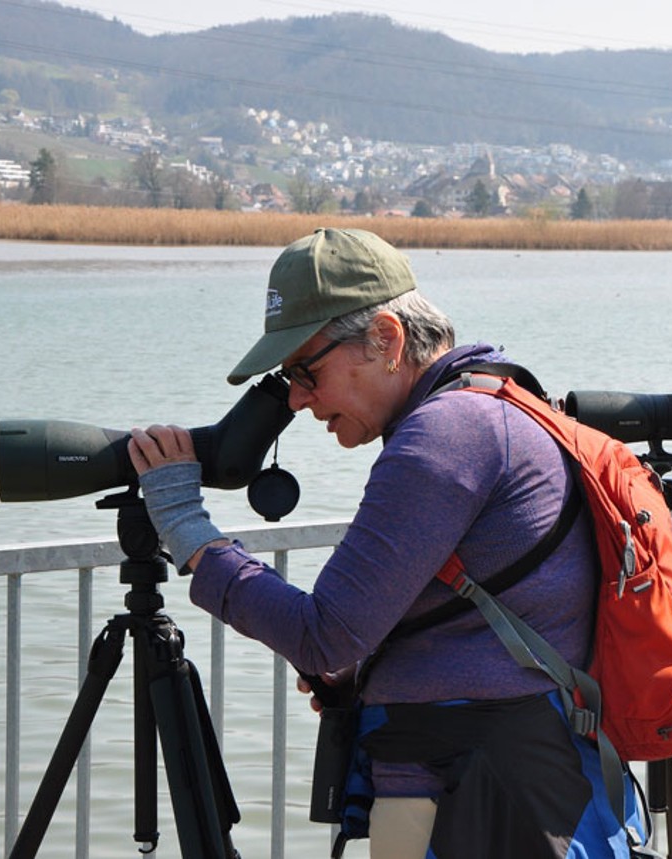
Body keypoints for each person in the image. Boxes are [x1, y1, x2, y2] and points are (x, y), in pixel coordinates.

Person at [126, 227, 641, 858]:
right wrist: (369, 672)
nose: (296, 397)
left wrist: (183, 525)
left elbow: (325, 634)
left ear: (387, 340)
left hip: (488, 795)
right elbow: (470, 611)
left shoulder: (446, 434)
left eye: (305, 371)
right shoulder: (489, 404)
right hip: (506, 776)